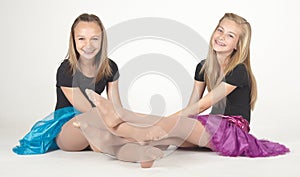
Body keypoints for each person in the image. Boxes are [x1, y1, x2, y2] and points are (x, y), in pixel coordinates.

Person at [84, 13, 290, 158]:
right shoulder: (203, 66)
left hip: (231, 130)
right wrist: (170, 125)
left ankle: (120, 116)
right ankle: (122, 146)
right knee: (161, 138)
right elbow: (193, 104)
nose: (221, 37)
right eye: (220, 30)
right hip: (209, 126)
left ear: (238, 44)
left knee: (164, 127)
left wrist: (167, 121)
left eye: (230, 35)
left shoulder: (239, 71)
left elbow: (201, 106)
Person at [12, 13, 167, 168]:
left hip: (99, 126)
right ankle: (137, 134)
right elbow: (88, 110)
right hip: (69, 129)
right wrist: (134, 128)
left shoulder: (110, 67)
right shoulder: (66, 69)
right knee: (90, 118)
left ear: (102, 41)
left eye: (94, 38)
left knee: (108, 142)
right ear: (73, 40)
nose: (88, 45)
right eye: (81, 38)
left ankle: (142, 154)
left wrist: (131, 119)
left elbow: (116, 110)